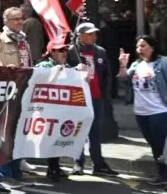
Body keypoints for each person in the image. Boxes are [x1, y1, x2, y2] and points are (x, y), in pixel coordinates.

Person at [118, 35, 167, 192]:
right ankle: (163, 175)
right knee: (155, 145)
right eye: (138, 47)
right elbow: (123, 80)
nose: (140, 49)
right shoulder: (136, 65)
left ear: (152, 47)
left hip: (161, 111)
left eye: (143, 46)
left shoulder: (164, 63)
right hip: (142, 113)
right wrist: (122, 65)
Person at [67, 23, 119, 177]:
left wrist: (106, 95)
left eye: (94, 34)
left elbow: (107, 75)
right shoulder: (72, 51)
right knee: (78, 131)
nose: (93, 37)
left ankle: (98, 163)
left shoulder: (100, 52)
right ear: (80, 35)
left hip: (96, 97)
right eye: (89, 34)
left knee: (95, 131)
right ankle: (78, 161)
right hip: (79, 98)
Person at [37, 39, 75, 182]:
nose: (64, 53)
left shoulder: (67, 66)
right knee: (51, 139)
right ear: (51, 52)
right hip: (48, 109)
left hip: (62, 108)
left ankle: (55, 166)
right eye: (60, 50)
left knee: (59, 138)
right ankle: (52, 167)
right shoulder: (44, 65)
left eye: (65, 50)